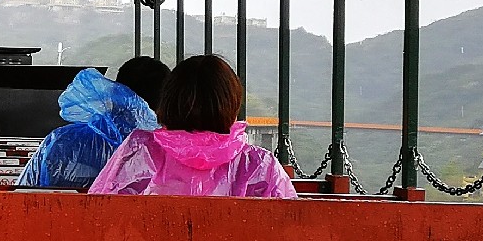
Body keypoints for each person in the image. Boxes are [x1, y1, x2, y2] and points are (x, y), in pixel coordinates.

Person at [88, 54, 296, 198]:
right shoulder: (259, 165)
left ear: (168, 101)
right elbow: (290, 227)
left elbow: (100, 210)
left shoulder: (140, 149)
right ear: (232, 104)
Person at [16, 56, 169, 190]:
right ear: (163, 103)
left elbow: (25, 192)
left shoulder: (62, 140)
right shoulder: (165, 149)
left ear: (115, 92)